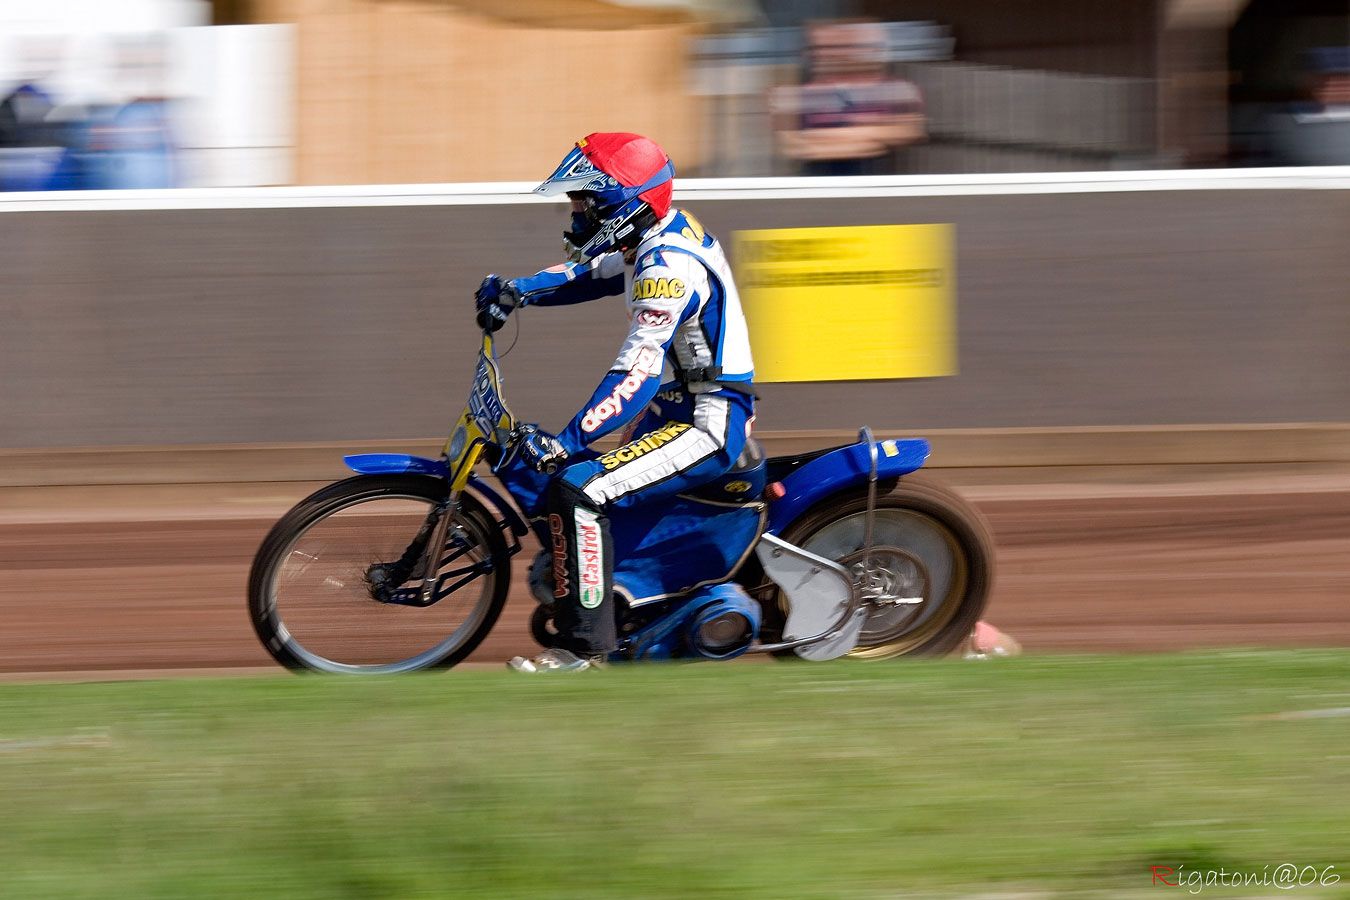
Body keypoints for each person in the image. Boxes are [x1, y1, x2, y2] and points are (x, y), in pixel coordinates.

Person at [473, 132, 756, 673]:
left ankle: (583, 652)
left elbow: (637, 372)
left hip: (706, 422)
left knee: (578, 487)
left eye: (587, 202)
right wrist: (517, 290)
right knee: (565, 474)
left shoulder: (667, 269)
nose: (577, 213)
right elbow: (593, 275)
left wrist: (569, 439)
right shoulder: (652, 237)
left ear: (625, 205)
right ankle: (610, 589)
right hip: (673, 410)